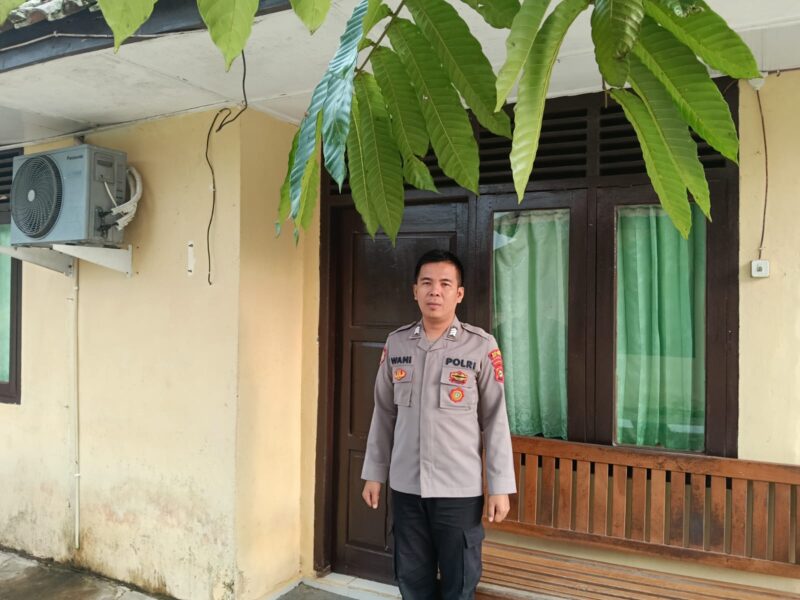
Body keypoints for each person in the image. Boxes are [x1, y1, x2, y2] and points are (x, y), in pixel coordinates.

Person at [361, 249, 516, 600]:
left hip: (458, 491)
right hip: (407, 488)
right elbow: (383, 413)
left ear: (459, 294)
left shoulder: (480, 346)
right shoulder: (397, 343)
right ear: (414, 290)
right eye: (427, 283)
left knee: (459, 584)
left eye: (445, 284)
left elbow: (495, 420)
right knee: (412, 582)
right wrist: (374, 473)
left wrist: (500, 486)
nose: (435, 291)